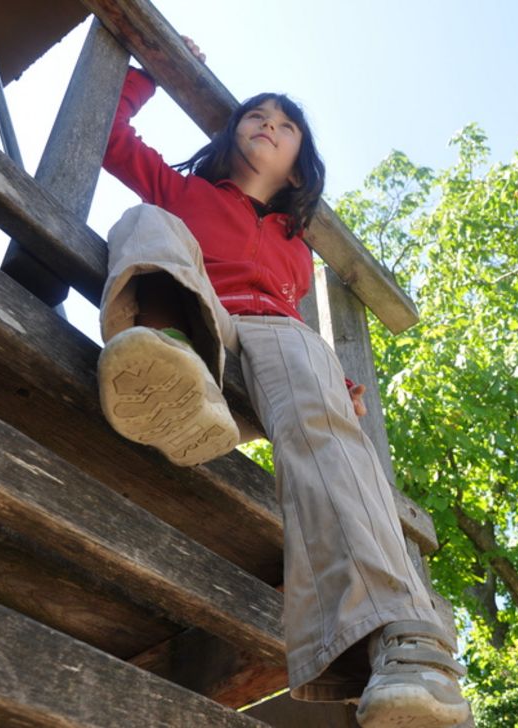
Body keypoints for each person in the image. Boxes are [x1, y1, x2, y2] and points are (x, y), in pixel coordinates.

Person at [96, 37, 469, 727]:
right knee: (145, 222)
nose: (268, 123)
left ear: (299, 166)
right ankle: (171, 371)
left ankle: (410, 653)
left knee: (323, 415)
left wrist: (336, 386)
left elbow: (296, 352)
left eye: (286, 123)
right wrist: (151, 66)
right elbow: (111, 139)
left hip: (268, 345)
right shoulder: (185, 192)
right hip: (195, 324)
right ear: (230, 132)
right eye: (255, 115)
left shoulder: (295, 251)